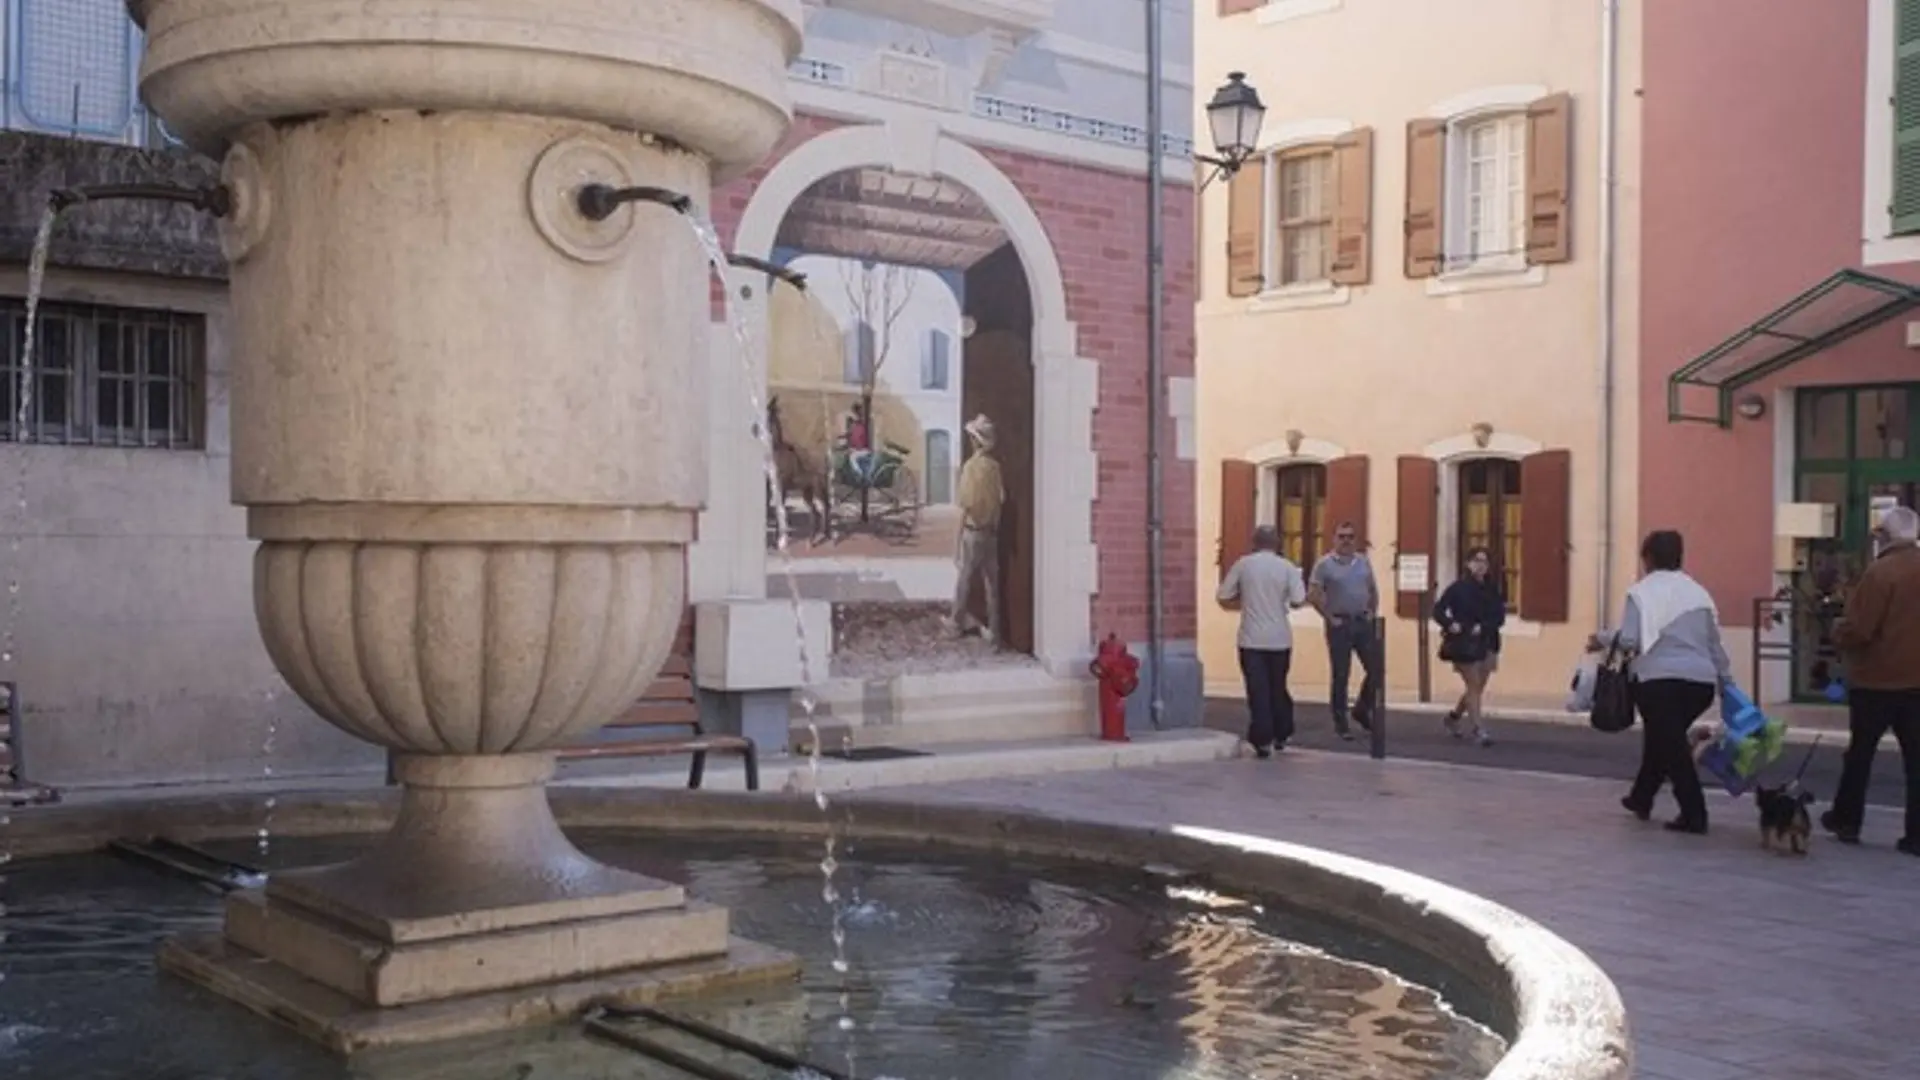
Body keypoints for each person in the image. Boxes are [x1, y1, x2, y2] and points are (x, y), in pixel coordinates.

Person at [1591, 530, 1732, 835]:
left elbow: (1630, 639)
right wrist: (1726, 681)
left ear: (1648, 558)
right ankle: (1641, 797)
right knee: (1662, 737)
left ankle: (1694, 813)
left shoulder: (1641, 593)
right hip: (1699, 682)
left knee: (1672, 745)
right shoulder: (1699, 594)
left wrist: (1600, 639)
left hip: (1658, 680)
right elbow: (1714, 644)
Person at [1824, 505, 1920, 856]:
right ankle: (1916, 835)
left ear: (1886, 537)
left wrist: (1838, 631)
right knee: (1916, 762)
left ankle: (1847, 820)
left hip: (1877, 681)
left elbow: (1861, 628)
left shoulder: (1881, 573)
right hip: (1917, 683)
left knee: (1861, 754)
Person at [1218, 525, 1309, 758]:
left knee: (1258, 690)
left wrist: (1245, 603)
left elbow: (1223, 596)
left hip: (1251, 638)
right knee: (1278, 686)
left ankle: (1262, 738)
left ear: (1254, 541)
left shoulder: (1243, 565)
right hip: (1280, 638)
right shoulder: (1287, 567)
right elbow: (1299, 600)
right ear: (1277, 543)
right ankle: (1282, 732)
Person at [1309, 522, 1380, 741]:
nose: (1346, 540)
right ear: (1334, 539)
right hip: (1339, 624)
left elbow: (1372, 590)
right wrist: (1329, 617)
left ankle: (1361, 709)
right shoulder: (1324, 565)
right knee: (1341, 674)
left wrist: (1371, 612)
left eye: (1350, 536)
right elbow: (1313, 594)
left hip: (1362, 623)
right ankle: (1341, 721)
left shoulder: (1363, 562)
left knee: (1376, 670)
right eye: (1342, 536)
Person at [1432, 546, 1505, 747]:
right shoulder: (1458, 588)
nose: (1481, 565)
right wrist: (1450, 624)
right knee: (1473, 684)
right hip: (1463, 644)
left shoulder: (1493, 589)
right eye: (1477, 561)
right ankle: (1478, 730)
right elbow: (1438, 610)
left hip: (1488, 642)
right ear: (1468, 564)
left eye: (1484, 561)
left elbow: (1499, 617)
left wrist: (1484, 627)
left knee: (1477, 687)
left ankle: (1454, 717)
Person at [949, 414, 1005, 644]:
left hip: (973, 531)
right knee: (992, 584)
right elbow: (1001, 499)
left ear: (975, 441)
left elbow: (966, 505)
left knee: (965, 578)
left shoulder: (971, 468)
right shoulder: (994, 467)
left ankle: (955, 623)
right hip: (990, 532)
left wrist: (957, 539)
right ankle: (995, 630)